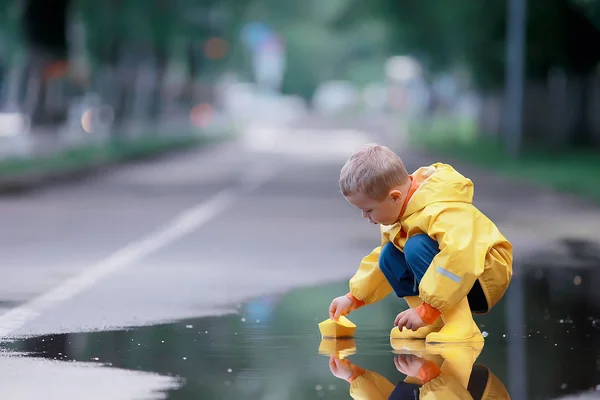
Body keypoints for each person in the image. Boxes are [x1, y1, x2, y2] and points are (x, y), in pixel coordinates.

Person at [328, 143, 513, 343]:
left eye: (369, 209)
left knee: (416, 247)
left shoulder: (441, 209)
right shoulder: (397, 215)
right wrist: (353, 298)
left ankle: (461, 326)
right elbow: (378, 266)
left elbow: (459, 258)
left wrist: (428, 309)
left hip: (482, 273)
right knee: (389, 254)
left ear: (395, 197)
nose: (365, 216)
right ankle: (432, 322)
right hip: (453, 278)